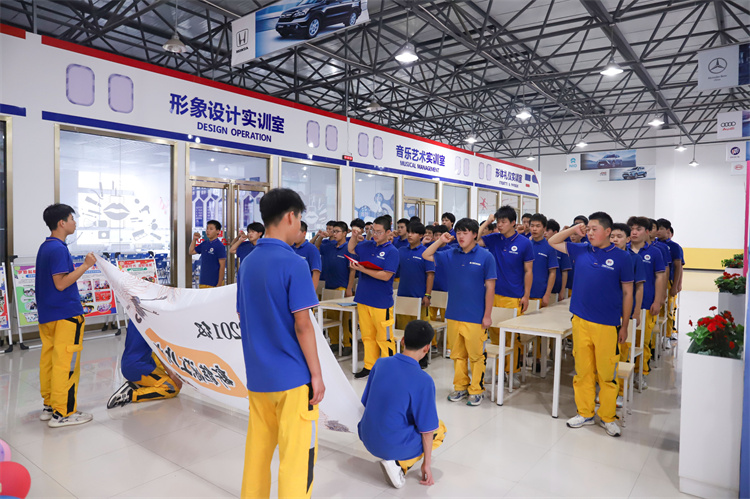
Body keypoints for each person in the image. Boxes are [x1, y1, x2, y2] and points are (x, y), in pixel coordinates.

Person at [237, 188, 324, 499]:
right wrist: (316, 374)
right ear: (290, 216)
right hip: (292, 380)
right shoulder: (295, 264)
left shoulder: (247, 263)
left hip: (258, 378)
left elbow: (242, 314)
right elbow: (303, 325)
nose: (299, 225)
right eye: (299, 219)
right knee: (297, 457)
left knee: (257, 452)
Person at [548, 212, 634, 437]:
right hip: (580, 321)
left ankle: (607, 417)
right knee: (583, 371)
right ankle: (584, 412)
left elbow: (628, 293)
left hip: (607, 325)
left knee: (606, 374)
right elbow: (553, 241)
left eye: (595, 229)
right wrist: (574, 229)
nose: (590, 233)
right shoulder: (581, 250)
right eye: (589, 229)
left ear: (608, 231)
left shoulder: (622, 257)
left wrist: (625, 325)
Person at [358, 320, 446, 489]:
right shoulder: (424, 380)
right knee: (439, 429)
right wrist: (426, 464)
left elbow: (366, 402)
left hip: (366, 437)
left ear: (403, 340)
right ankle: (399, 464)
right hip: (389, 445)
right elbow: (427, 430)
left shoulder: (380, 363)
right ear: (427, 348)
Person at [36, 203, 96, 427]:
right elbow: (61, 284)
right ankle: (64, 412)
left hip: (48, 315)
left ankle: (50, 405)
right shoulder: (59, 249)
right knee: (66, 363)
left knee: (49, 361)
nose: (75, 223)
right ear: (62, 223)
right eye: (72, 219)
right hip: (66, 315)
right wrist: (86, 266)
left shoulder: (46, 246)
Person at [423, 219, 495, 406]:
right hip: (454, 313)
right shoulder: (450, 254)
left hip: (475, 316)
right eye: (459, 233)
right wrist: (441, 241)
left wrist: (487, 315)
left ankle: (476, 389)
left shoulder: (486, 256)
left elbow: (490, 288)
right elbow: (426, 254)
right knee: (457, 354)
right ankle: (460, 386)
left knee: (476, 356)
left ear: (474, 234)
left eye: (465, 232)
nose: (461, 236)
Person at [478, 205, 534, 388]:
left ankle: (513, 371)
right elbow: (474, 239)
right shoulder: (494, 239)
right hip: (493, 295)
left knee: (512, 338)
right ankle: (498, 371)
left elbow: (528, 271)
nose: (500, 225)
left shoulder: (524, 243)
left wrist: (526, 295)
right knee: (494, 335)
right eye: (498, 222)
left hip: (514, 296)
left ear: (513, 223)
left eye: (503, 222)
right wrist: (487, 221)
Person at [348, 215, 400, 379]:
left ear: (388, 232)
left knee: (384, 338)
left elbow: (386, 276)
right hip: (364, 298)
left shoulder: (392, 252)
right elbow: (351, 249)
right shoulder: (366, 245)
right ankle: (369, 366)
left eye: (379, 232)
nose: (375, 235)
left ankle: (388, 369)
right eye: (373, 231)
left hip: (381, 302)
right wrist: (354, 237)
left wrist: (362, 269)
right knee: (367, 336)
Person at [627, 216, 666, 389]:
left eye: (639, 229)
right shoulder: (623, 250)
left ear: (647, 232)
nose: (634, 232)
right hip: (624, 304)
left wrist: (657, 301)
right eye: (632, 229)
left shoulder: (655, 252)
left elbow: (660, 277)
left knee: (642, 342)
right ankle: (623, 374)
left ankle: (640, 373)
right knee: (624, 341)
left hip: (646, 304)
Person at [107, 321, 182, 409]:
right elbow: (159, 350)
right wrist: (172, 375)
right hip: (137, 367)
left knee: (167, 364)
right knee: (172, 387)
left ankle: (140, 384)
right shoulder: (151, 320)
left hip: (131, 361)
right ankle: (130, 394)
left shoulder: (136, 316)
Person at [610, 223, 645, 406]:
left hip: (626, 313)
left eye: (619, 236)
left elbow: (639, 288)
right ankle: (606, 389)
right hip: (608, 312)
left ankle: (620, 392)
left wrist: (636, 311)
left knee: (622, 353)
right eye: (612, 236)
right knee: (608, 354)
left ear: (628, 239)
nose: (615, 240)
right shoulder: (605, 256)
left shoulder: (634, 259)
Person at [395, 223, 435, 366]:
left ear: (421, 235)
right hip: (403, 295)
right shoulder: (401, 251)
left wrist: (427, 295)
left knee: (421, 329)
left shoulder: (426, 252)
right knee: (403, 328)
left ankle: (422, 358)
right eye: (409, 232)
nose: (410, 235)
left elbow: (430, 275)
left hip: (419, 297)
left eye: (414, 233)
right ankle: (405, 356)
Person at [320, 221, 356, 355]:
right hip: (329, 286)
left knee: (344, 318)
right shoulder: (330, 246)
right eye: (333, 231)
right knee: (330, 316)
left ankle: (347, 343)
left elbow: (352, 270)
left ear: (345, 233)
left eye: (337, 231)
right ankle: (334, 342)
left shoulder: (348, 248)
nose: (334, 234)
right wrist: (320, 237)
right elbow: (316, 247)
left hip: (342, 287)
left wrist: (349, 288)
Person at [657, 219, 683, 340]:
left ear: (668, 230)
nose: (658, 231)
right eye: (656, 228)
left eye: (661, 229)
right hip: (656, 282)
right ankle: (656, 336)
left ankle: (667, 335)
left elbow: (678, 267)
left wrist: (676, 285)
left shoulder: (674, 247)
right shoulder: (654, 245)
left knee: (668, 309)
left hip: (669, 281)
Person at [528, 214, 558, 308]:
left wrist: (547, 294)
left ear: (544, 228)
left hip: (540, 293)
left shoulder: (550, 248)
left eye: (538, 226)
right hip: (522, 292)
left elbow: (552, 273)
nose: (534, 229)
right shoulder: (525, 245)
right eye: (532, 226)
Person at [189, 220, 227, 288]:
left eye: (211, 229)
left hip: (214, 282)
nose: (208, 231)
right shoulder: (204, 244)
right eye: (207, 229)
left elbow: (222, 266)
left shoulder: (220, 246)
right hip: (203, 280)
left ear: (218, 231)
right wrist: (194, 239)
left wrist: (219, 283)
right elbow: (191, 251)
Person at [545, 219, 571, 302]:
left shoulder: (562, 249)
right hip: (540, 288)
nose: (544, 233)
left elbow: (564, 272)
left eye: (547, 230)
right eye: (544, 230)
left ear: (555, 232)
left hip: (555, 289)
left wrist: (562, 291)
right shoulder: (541, 246)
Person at [293, 221, 322, 291]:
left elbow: (316, 273)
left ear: (304, 233)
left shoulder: (312, 249)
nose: (294, 235)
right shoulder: (289, 248)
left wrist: (311, 292)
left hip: (304, 289)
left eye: (296, 232)